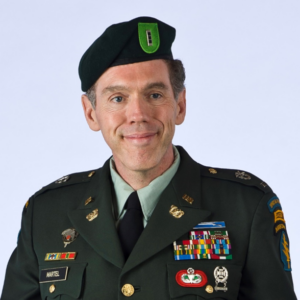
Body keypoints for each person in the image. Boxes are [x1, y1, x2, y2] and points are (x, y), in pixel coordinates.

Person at [1, 16, 297, 300]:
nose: (138, 115)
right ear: (91, 113)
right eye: (118, 98)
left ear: (179, 105)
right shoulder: (45, 215)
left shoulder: (246, 208)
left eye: (155, 95)